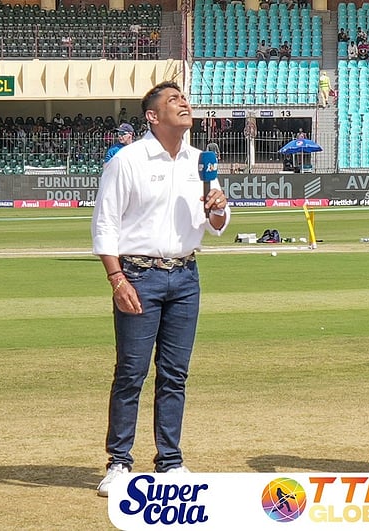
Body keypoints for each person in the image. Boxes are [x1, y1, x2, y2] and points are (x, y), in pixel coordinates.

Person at [91, 81, 230, 496]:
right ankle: (119, 463)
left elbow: (218, 227)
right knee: (131, 372)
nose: (184, 103)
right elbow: (105, 223)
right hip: (139, 274)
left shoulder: (202, 161)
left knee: (175, 374)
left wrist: (219, 209)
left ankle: (170, 461)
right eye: (173, 100)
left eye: (184, 98)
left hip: (186, 275)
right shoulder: (128, 160)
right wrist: (117, 278)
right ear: (152, 116)